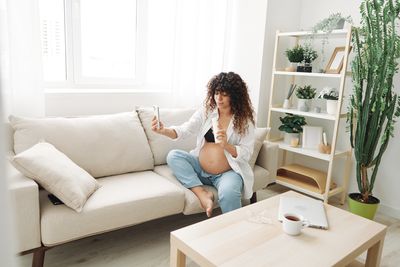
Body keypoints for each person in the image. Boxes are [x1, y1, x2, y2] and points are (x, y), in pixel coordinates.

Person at [151, 72, 255, 217]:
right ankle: (202, 193)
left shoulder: (245, 121)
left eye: (224, 94)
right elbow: (185, 130)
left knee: (229, 193)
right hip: (201, 168)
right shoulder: (207, 112)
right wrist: (164, 130)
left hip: (227, 173)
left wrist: (226, 145)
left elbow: (247, 153)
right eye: (217, 93)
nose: (219, 98)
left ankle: (234, 230)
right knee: (174, 156)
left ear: (235, 96)